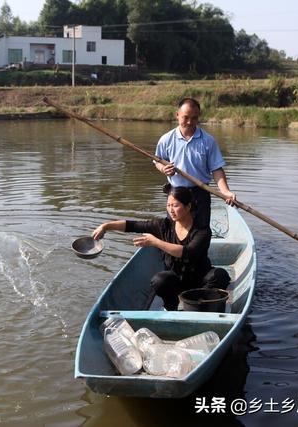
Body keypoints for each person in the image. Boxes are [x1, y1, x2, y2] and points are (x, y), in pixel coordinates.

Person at [92, 185, 230, 311]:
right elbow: (132, 225)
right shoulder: (164, 226)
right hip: (177, 280)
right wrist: (106, 226)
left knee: (220, 275)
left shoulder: (202, 230)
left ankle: (198, 301)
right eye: (168, 205)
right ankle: (171, 308)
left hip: (200, 279)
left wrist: (156, 242)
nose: (171, 210)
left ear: (188, 207)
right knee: (160, 280)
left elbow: (188, 253)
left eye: (175, 205)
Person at [154, 98, 236, 229]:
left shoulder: (208, 141)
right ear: (177, 115)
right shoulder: (166, 139)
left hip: (200, 192)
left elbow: (217, 170)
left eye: (194, 118)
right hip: (176, 194)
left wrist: (225, 191)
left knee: (201, 232)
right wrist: (164, 168)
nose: (189, 122)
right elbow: (158, 161)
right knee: (174, 232)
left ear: (199, 117)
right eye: (185, 117)